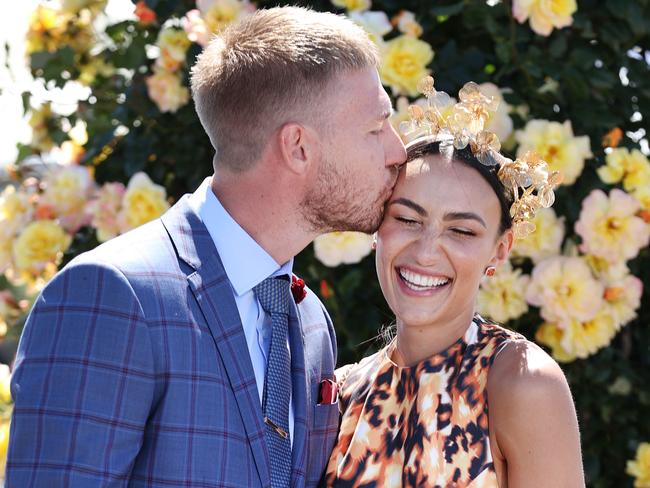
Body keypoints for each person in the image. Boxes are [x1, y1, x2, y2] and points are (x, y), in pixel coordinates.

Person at [6, 7, 406, 487]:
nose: (398, 151)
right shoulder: (112, 296)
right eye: (376, 127)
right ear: (298, 146)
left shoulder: (309, 320)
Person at [324, 81, 585, 487]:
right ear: (378, 226)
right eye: (407, 220)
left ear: (499, 250)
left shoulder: (521, 381)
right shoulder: (342, 393)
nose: (426, 252)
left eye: (461, 231)